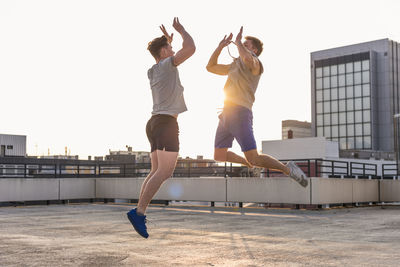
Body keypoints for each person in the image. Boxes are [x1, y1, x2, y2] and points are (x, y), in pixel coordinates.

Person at [206, 27, 307, 187]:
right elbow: (210, 67)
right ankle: (249, 164)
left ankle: (287, 169)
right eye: (242, 44)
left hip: (240, 112)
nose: (241, 46)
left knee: (253, 156)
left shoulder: (256, 64)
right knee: (219, 155)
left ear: (254, 50)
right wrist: (219, 47)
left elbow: (247, 59)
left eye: (246, 45)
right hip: (226, 113)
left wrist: (238, 42)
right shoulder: (235, 65)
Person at [127, 17, 195, 239]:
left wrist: (165, 40)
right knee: (165, 172)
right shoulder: (168, 64)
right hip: (165, 123)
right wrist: (182, 30)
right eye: (170, 48)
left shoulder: (152, 70)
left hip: (154, 122)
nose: (173, 50)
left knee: (156, 171)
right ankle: (139, 212)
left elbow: (165, 54)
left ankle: (139, 211)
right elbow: (191, 48)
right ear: (164, 52)